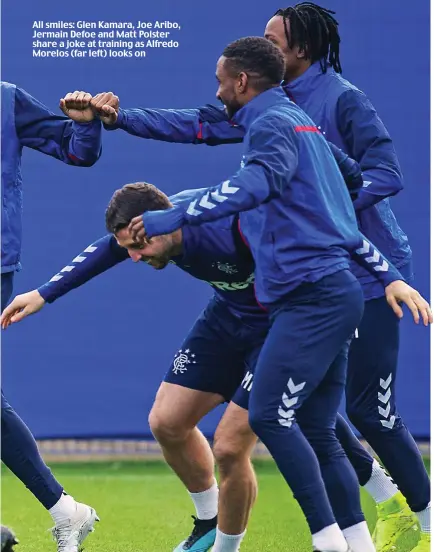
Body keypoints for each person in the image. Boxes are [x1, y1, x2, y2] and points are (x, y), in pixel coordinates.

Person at [88, 6, 431, 550]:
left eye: (275, 39)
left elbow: (377, 174)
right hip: (314, 273)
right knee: (312, 416)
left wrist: (321, 210)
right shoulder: (270, 108)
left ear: (296, 52)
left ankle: (415, 524)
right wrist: (121, 117)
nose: (267, 45)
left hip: (354, 271)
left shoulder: (328, 102)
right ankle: (364, 529)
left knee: (358, 411)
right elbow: (199, 126)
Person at [2, 182, 430, 552]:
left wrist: (387, 277)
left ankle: (235, 545)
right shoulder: (149, 233)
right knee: (167, 422)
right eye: (129, 246)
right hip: (226, 320)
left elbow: (331, 233)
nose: (133, 256)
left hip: (279, 327)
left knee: (233, 444)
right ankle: (209, 524)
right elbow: (107, 250)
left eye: (139, 245)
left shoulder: (230, 224)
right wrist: (44, 294)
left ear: (162, 223)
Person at [1, 83, 102, 552]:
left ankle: (66, 510)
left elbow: (75, 150)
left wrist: (85, 125)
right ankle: (66, 511)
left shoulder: (5, 99)